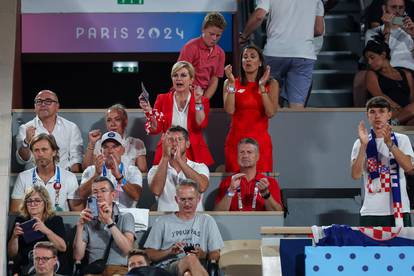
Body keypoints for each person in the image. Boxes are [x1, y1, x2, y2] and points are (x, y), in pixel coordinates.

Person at [239, 0, 324, 108]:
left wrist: (244, 36)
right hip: (303, 54)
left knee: (271, 102)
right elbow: (319, 29)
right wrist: (300, 32)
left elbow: (259, 16)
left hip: (274, 53)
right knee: (297, 106)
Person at [351, 96, 414, 226]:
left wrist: (390, 144)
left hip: (399, 209)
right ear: (368, 116)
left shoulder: (402, 139)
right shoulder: (361, 142)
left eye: (381, 111)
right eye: (372, 112)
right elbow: (355, 175)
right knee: (372, 247)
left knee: (402, 247)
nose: (377, 116)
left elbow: (409, 168)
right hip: (371, 211)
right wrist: (364, 146)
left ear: (389, 114)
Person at [139, 61, 214, 166]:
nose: (178, 78)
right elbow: (156, 129)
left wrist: (197, 102)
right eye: (175, 75)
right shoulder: (162, 99)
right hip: (168, 151)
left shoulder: (202, 100)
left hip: (193, 152)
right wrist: (149, 111)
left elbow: (200, 124)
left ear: (191, 80)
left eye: (183, 75)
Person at [144, 181, 223, 276]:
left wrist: (202, 254)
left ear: (198, 199)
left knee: (188, 274)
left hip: (198, 266)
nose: (187, 203)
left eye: (190, 199)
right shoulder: (162, 221)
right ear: (176, 200)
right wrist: (169, 251)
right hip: (169, 266)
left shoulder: (207, 220)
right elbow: (149, 254)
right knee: (190, 258)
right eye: (183, 199)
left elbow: (216, 253)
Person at [223, 45, 278, 173]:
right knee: (236, 184)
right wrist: (231, 84)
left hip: (260, 142)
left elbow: (270, 113)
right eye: (245, 57)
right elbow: (230, 110)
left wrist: (262, 88)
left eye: (252, 57)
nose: (248, 60)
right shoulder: (231, 83)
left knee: (261, 184)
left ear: (260, 63)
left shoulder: (272, 84)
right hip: (236, 141)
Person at [73, 176, 135, 276]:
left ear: (113, 195)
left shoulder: (126, 217)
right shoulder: (87, 220)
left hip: (118, 269)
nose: (99, 195)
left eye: (103, 190)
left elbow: (128, 249)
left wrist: (109, 222)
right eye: (95, 192)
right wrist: (80, 226)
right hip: (94, 270)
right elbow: (78, 256)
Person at [10, 133, 83, 212]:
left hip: (60, 223)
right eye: (36, 150)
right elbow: (15, 212)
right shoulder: (23, 177)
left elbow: (77, 213)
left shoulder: (69, 177)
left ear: (54, 152)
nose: (40, 154)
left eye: (44, 149)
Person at [16, 89, 83, 172]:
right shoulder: (25, 128)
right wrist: (26, 141)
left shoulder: (71, 127)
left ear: (57, 106)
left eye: (48, 101)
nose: (43, 104)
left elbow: (76, 159)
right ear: (35, 107)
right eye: (39, 101)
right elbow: (22, 160)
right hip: (34, 179)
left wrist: (72, 180)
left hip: (63, 179)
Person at [147, 126, 209, 211]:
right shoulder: (155, 170)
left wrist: (179, 160)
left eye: (179, 139)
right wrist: (165, 157)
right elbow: (156, 191)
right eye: (170, 140)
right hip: (166, 220)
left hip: (194, 220)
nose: (175, 143)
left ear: (187, 144)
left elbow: (202, 187)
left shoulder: (200, 167)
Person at [8, 186, 66, 275]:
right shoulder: (20, 220)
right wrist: (15, 237)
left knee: (45, 267)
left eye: (37, 200)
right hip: (28, 262)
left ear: (45, 203)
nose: (33, 204)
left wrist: (46, 230)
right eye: (29, 201)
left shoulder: (55, 220)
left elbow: (63, 248)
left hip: (51, 262)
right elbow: (11, 253)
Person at [215, 138, 283, 211]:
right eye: (241, 152)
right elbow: (218, 214)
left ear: (257, 156)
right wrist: (230, 192)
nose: (245, 156)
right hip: (234, 222)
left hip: (262, 222)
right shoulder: (228, 182)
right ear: (237, 156)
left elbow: (278, 214)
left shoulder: (270, 182)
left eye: (249, 152)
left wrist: (266, 195)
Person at [79, 131, 143, 208]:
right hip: (97, 215)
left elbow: (136, 196)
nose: (110, 151)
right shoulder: (91, 170)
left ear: (122, 150)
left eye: (114, 146)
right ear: (101, 151)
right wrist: (96, 175)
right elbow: (81, 195)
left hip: (124, 215)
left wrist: (119, 177)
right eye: (105, 147)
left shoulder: (132, 170)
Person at [82, 103, 148, 172]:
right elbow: (86, 170)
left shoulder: (136, 143)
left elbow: (143, 172)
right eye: (109, 120)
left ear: (125, 122)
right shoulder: (99, 143)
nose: (112, 124)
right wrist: (91, 144)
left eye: (117, 119)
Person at [364, 36, 414, 125]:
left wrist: (407, 111)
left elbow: (412, 97)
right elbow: (378, 95)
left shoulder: (406, 73)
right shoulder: (372, 74)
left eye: (372, 57)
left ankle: (396, 122)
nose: (369, 62)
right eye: (367, 60)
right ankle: (396, 121)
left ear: (383, 55)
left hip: (408, 111)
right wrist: (395, 106)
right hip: (390, 110)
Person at [178, 12, 227, 99]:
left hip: (201, 97)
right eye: (211, 34)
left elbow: (214, 80)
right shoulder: (190, 47)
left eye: (218, 35)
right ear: (203, 29)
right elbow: (180, 76)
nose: (214, 38)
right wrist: (190, 99)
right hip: (182, 95)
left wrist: (204, 100)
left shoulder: (221, 53)